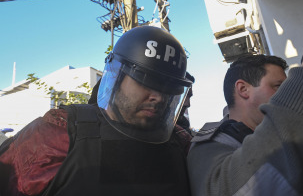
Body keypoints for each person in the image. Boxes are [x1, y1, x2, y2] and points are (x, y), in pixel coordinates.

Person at [0, 26, 193, 196]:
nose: (158, 97)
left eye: (168, 89)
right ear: (117, 75)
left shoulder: (182, 143)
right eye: (146, 81)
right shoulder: (58, 133)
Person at [188, 20, 303, 196]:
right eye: (278, 86)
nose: (285, 94)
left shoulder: (285, 129)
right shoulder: (210, 147)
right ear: (243, 89)